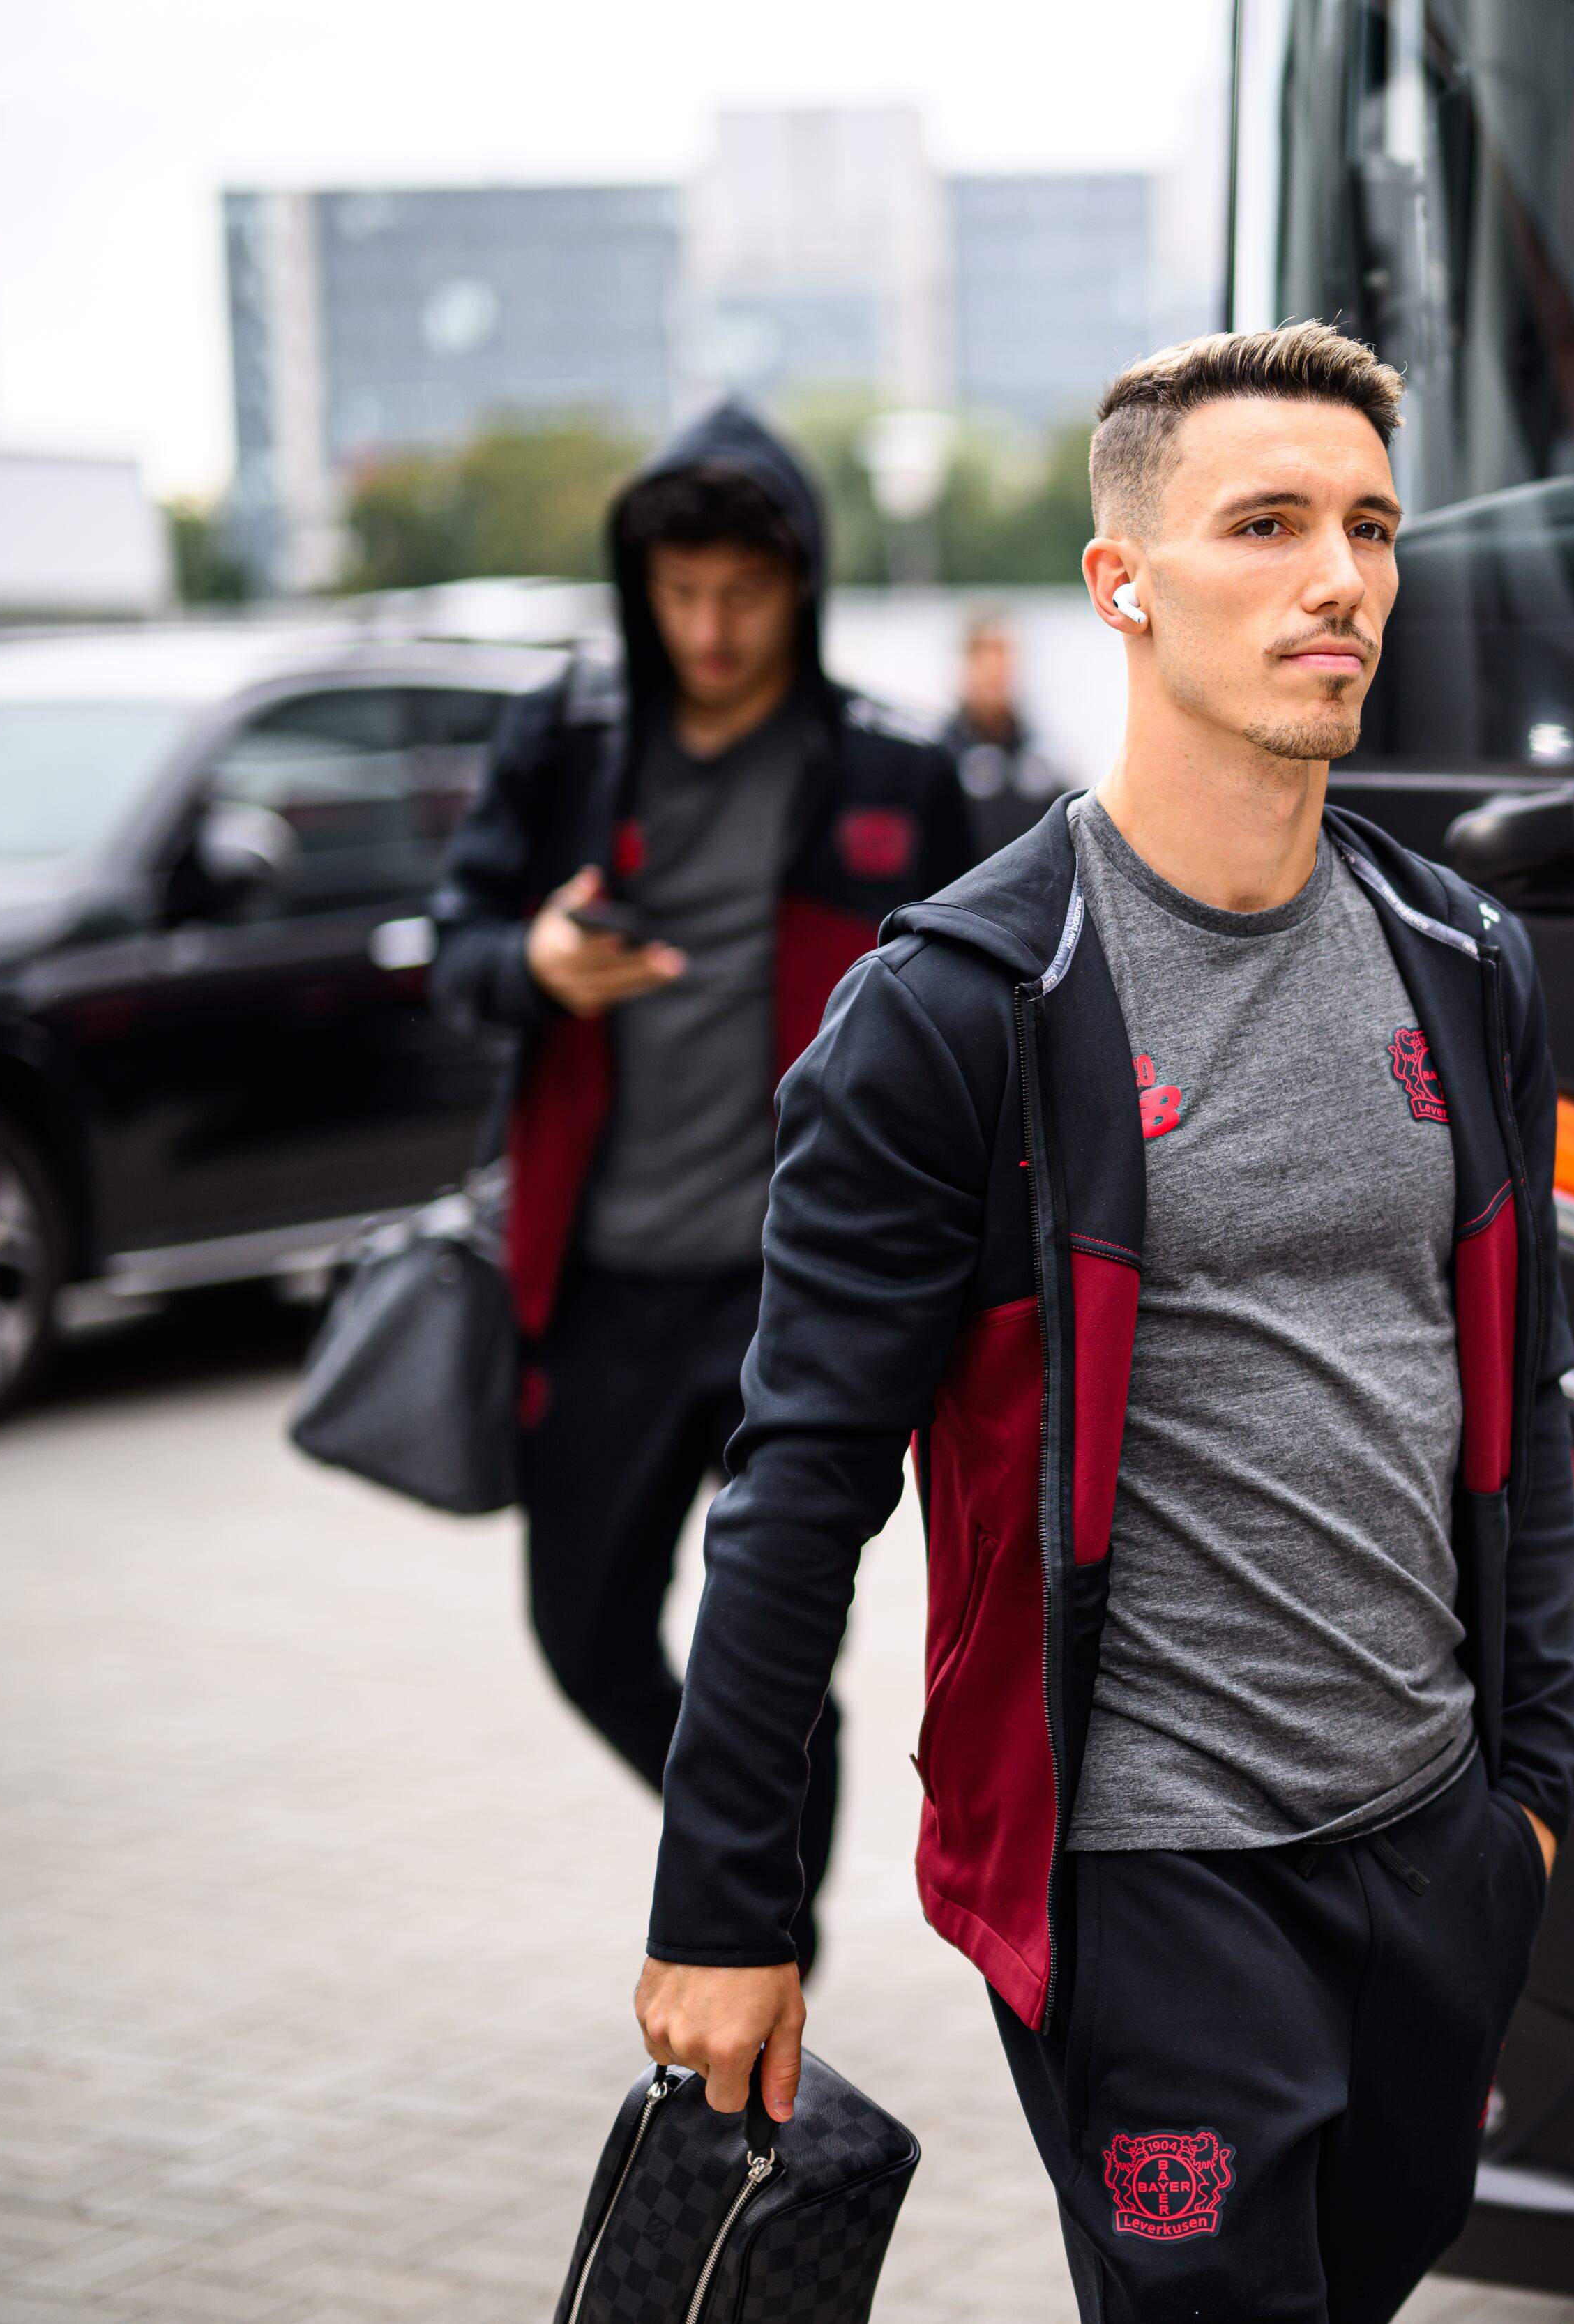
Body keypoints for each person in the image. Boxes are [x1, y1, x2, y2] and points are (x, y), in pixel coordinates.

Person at [633, 323, 1574, 2324]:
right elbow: (801, 1481)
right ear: (1122, 580)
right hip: (1152, 1877)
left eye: (1369, 528)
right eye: (1266, 524)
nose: (1338, 578)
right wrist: (729, 1908)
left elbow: (1526, 1393)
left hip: (1435, 1843)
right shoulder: (962, 1007)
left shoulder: (1465, 962)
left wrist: (1539, 1793)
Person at [432, 402, 977, 1971]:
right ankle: (759, 1850)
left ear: (798, 586)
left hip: (794, 1304)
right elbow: (455, 953)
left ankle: (757, 1933)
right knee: (585, 1631)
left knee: (780, 1653)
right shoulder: (565, 743)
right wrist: (530, 959)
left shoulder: (889, 763)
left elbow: (973, 1017)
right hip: (595, 1278)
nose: (713, 627)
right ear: (641, 587)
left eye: (743, 591)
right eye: (681, 592)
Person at [944, 603, 1068, 852]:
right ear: (965, 664)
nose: (995, 667)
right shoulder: (942, 757)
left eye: (1003, 653)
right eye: (984, 653)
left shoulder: (1040, 757)